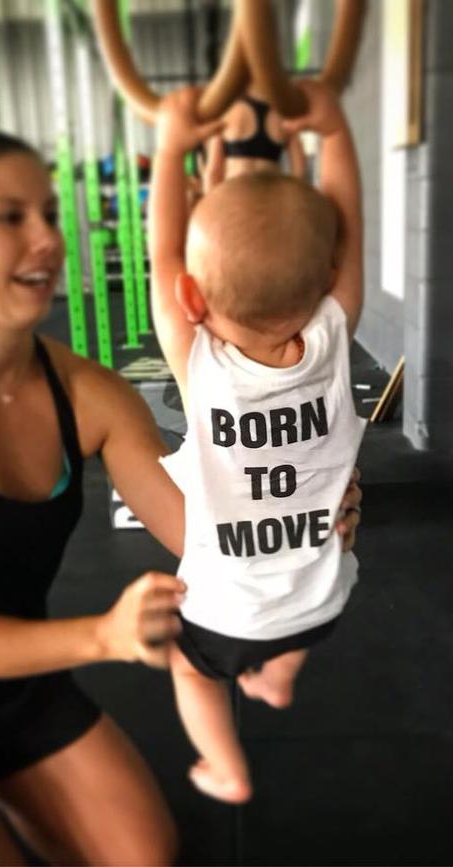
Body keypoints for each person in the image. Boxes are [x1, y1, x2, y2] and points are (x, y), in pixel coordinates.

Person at [0, 128, 362, 867]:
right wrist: (104, 635)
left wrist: (307, 507)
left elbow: (199, 531)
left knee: (144, 856)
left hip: (16, 688)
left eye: (47, 211)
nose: (46, 238)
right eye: (10, 218)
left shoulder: (89, 395)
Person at [148, 80, 365, 804]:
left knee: (191, 671)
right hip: (322, 595)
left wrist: (172, 142)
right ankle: (280, 673)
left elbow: (158, 259)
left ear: (191, 297)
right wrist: (335, 131)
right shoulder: (335, 340)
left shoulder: (201, 365)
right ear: (330, 279)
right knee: (292, 622)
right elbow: (352, 236)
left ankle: (227, 767)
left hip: (225, 611)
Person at [200, 84, 306, 194]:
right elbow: (299, 169)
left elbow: (213, 173)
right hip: (271, 197)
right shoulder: (283, 116)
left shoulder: (226, 113)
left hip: (235, 197)